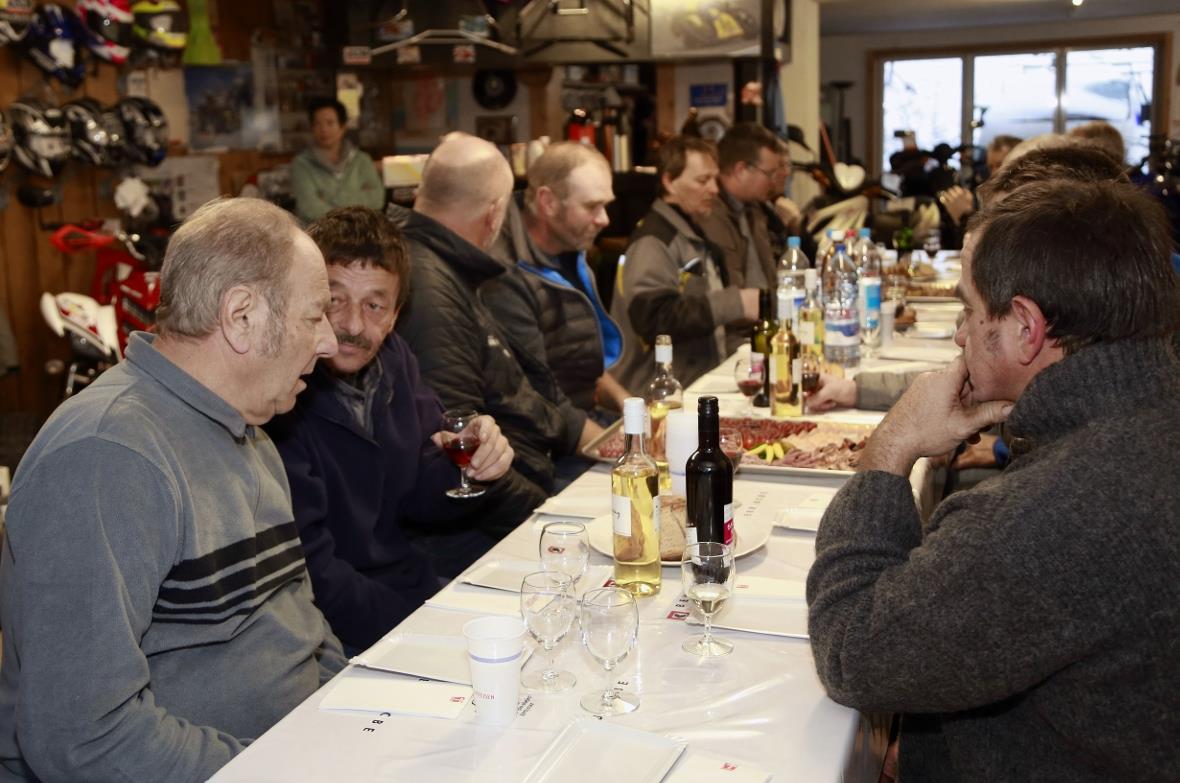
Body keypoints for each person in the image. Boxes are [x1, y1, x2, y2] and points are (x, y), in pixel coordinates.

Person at [807, 179, 1180, 780]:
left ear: (1026, 328)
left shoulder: (1062, 505)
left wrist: (888, 451)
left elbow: (852, 651)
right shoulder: (1146, 415)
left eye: (969, 310)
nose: (959, 334)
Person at [0, 198, 347, 781]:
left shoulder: (248, 426)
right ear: (241, 316)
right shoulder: (108, 456)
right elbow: (83, 738)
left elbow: (302, 630)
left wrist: (352, 717)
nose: (331, 342)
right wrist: (274, 769)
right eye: (316, 316)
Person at [266, 207, 544, 648]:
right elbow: (313, 573)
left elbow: (419, 496)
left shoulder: (394, 361)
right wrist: (421, 628)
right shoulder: (281, 398)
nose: (354, 325)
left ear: (396, 316)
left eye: (374, 305)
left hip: (410, 589)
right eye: (335, 300)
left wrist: (472, 462)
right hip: (338, 628)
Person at [392, 133, 600, 494]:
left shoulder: (443, 267)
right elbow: (461, 448)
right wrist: (537, 508)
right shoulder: (431, 289)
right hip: (497, 512)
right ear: (493, 216)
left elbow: (530, 395)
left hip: (533, 467)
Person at [484, 141, 629, 417]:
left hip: (581, 419)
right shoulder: (505, 273)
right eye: (592, 207)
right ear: (547, 202)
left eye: (606, 206)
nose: (605, 220)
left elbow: (578, 364)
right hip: (549, 443)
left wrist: (629, 406)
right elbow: (538, 399)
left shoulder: (570, 251)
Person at [610, 135, 759, 392]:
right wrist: (736, 303)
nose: (714, 189)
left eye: (714, 179)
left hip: (693, 383)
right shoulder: (654, 241)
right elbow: (653, 319)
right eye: (702, 180)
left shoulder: (692, 232)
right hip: (658, 394)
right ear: (669, 181)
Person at [697, 122, 780, 293]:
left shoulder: (754, 208)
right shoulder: (711, 214)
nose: (773, 181)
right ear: (741, 170)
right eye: (769, 173)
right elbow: (731, 296)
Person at [290, 97, 385, 224]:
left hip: (361, 234)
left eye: (330, 123)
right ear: (312, 128)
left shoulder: (362, 160)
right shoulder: (301, 164)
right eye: (318, 124)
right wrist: (356, 198)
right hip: (318, 237)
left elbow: (377, 199)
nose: (324, 129)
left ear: (343, 127)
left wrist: (327, 198)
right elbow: (310, 208)